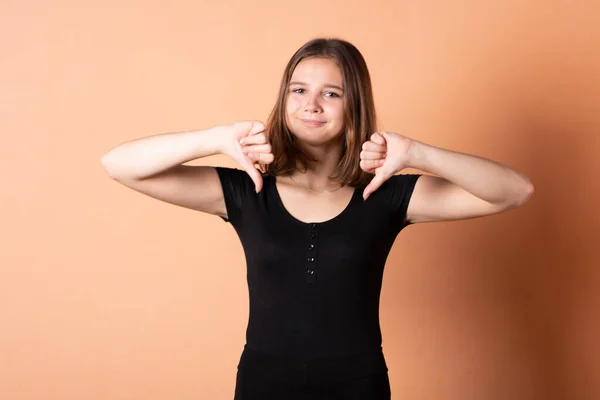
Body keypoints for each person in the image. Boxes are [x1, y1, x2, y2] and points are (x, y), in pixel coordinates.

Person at [101, 38, 534, 400]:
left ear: (353, 105)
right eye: (298, 90)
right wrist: (214, 139)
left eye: (331, 93)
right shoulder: (248, 191)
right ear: (284, 99)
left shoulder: (384, 196)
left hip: (358, 385)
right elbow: (119, 165)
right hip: (263, 384)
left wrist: (418, 153)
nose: (312, 104)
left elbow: (514, 191)